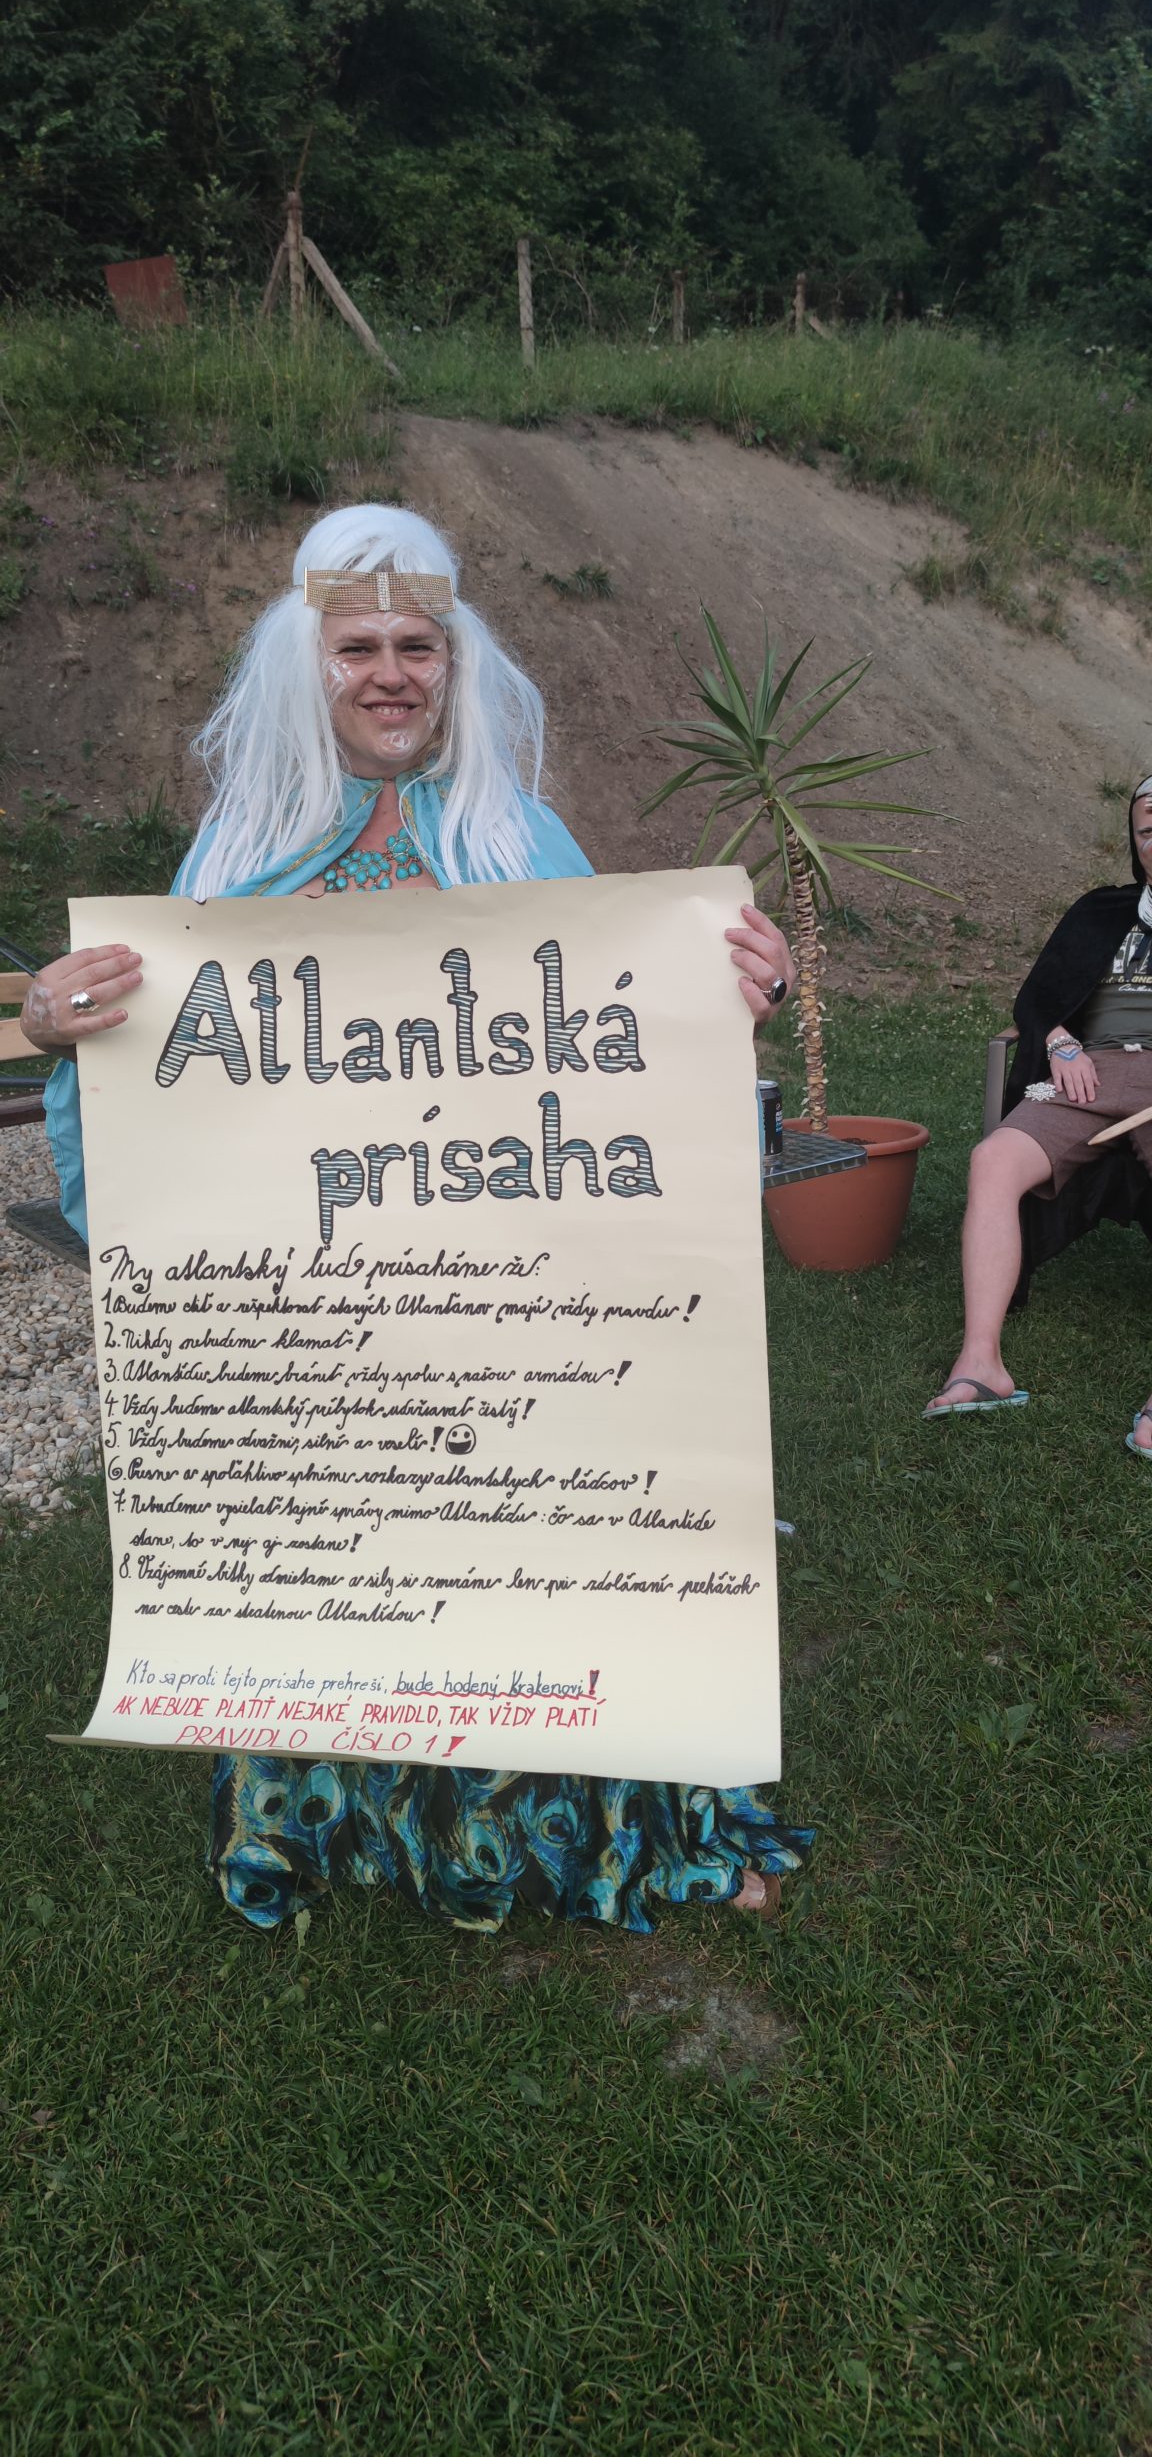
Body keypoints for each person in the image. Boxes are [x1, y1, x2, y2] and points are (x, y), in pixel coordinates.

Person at [23, 503, 812, 1932]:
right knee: (354, 1554)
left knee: (540, 1548)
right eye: (359, 648)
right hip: (327, 1331)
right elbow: (157, 1090)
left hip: (507, 1303)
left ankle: (608, 1827)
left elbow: (622, 1050)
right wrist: (58, 1026)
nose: (391, 674)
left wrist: (729, 995)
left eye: (417, 647)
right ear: (306, 666)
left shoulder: (522, 837)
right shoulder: (235, 857)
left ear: (456, 664)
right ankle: (360, 1822)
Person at [925, 776, 1152, 1455]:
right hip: (1089, 1071)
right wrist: (1057, 1040)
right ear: (1135, 843)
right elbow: (1038, 997)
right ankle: (982, 1364)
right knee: (993, 1160)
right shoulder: (1100, 910)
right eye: (1148, 828)